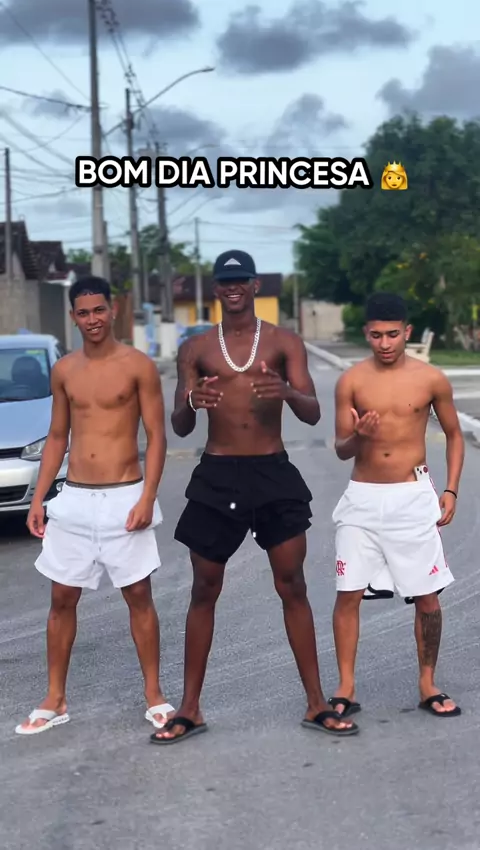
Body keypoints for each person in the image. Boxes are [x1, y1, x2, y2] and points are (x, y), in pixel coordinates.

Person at [151, 248, 358, 745]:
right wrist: (191, 401)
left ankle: (316, 702)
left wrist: (286, 392)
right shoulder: (196, 348)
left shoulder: (285, 342)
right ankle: (190, 708)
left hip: (271, 471)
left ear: (254, 285)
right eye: (226, 281)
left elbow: (312, 412)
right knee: (204, 588)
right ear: (216, 288)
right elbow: (180, 424)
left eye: (241, 280)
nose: (233, 288)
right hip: (218, 472)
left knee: (292, 585)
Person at [16, 276, 174, 735]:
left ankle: (154, 695)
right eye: (83, 313)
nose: (92, 320)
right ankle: (55, 699)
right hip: (76, 497)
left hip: (126, 495)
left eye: (99, 310)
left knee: (138, 596)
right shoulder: (65, 370)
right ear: (73, 317)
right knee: (61, 598)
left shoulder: (138, 366)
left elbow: (157, 437)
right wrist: (39, 498)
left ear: (113, 310)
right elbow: (57, 437)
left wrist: (148, 496)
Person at [329, 291, 464, 719]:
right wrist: (359, 436)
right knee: (348, 593)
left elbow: (455, 435)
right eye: (376, 335)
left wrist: (451, 490)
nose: (384, 343)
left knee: (427, 597)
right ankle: (345, 687)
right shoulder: (351, 382)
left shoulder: (431, 379)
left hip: (411, 496)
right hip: (362, 498)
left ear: (406, 332)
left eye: (392, 334)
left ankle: (428, 684)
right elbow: (341, 449)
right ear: (365, 334)